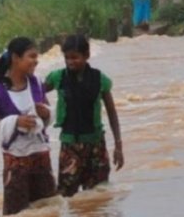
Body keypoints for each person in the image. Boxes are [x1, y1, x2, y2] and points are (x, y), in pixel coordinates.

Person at [0, 37, 56, 215]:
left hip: (41, 157)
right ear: (16, 58)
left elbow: (48, 113)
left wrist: (45, 113)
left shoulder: (37, 83)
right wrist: (15, 121)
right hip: (16, 162)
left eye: (36, 56)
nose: (36, 61)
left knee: (49, 213)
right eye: (31, 56)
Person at [44, 35, 124, 197]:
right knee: (66, 196)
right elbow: (33, 93)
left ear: (86, 56)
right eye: (67, 58)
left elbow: (111, 113)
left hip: (95, 146)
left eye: (75, 57)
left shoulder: (100, 79)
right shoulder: (58, 77)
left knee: (98, 196)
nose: (70, 62)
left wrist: (118, 145)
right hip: (69, 146)